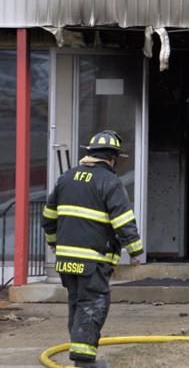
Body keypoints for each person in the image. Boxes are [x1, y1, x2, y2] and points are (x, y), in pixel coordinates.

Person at [42, 130, 143, 368]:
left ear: (89, 153)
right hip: (92, 260)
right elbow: (122, 219)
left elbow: (48, 218)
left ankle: (80, 355)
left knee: (77, 304)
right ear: (112, 159)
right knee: (93, 304)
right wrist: (135, 250)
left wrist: (54, 244)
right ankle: (85, 362)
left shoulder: (66, 178)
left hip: (66, 260)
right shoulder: (109, 181)